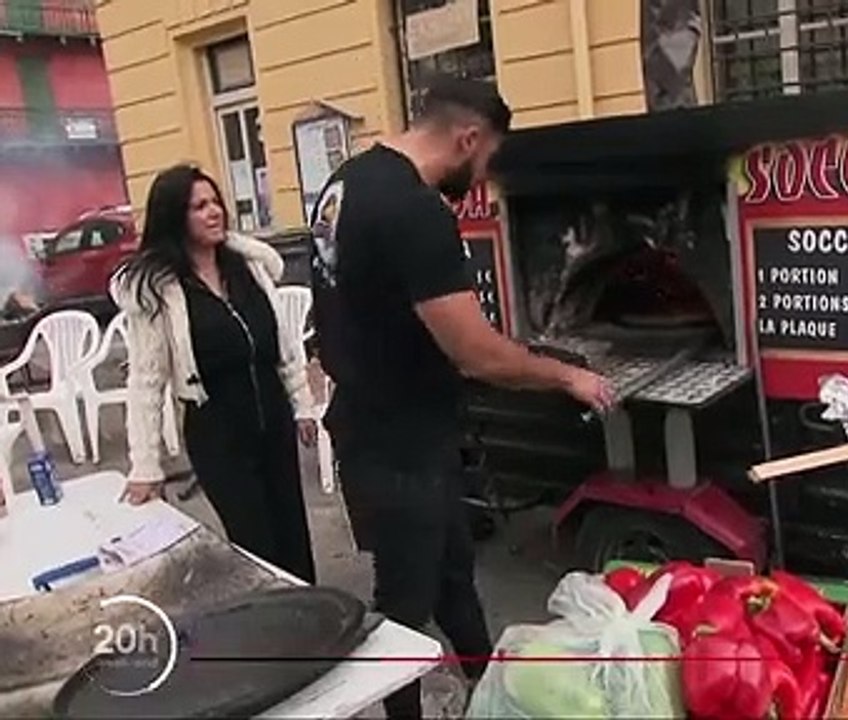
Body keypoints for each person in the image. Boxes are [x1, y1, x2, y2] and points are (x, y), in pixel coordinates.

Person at [310, 76, 615, 718]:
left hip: (383, 424)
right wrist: (568, 377)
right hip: (399, 445)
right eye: (485, 160)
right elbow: (475, 352)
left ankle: (490, 691)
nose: (481, 176)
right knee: (401, 611)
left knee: (451, 570)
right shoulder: (415, 210)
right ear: (468, 137)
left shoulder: (344, 184)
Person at [113, 164, 319, 584]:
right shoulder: (159, 288)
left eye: (215, 203)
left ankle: (313, 622)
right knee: (255, 544)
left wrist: (301, 405)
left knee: (293, 533)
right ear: (174, 217)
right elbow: (146, 383)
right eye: (198, 206)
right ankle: (272, 636)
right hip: (218, 430)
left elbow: (281, 345)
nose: (213, 212)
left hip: (272, 417)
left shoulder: (247, 266)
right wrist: (145, 465)